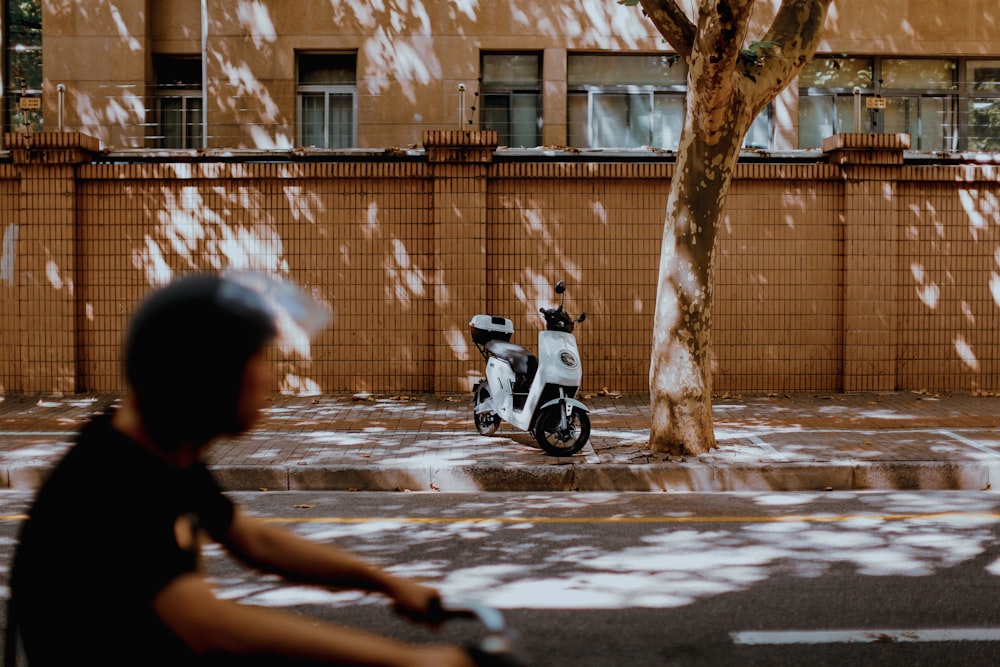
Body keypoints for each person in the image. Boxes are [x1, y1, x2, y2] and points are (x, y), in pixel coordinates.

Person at [7, 272, 474, 667]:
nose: (269, 379)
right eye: (257, 360)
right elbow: (209, 626)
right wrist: (407, 660)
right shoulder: (110, 481)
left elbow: (255, 540)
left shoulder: (163, 455)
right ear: (204, 376)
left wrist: (387, 584)